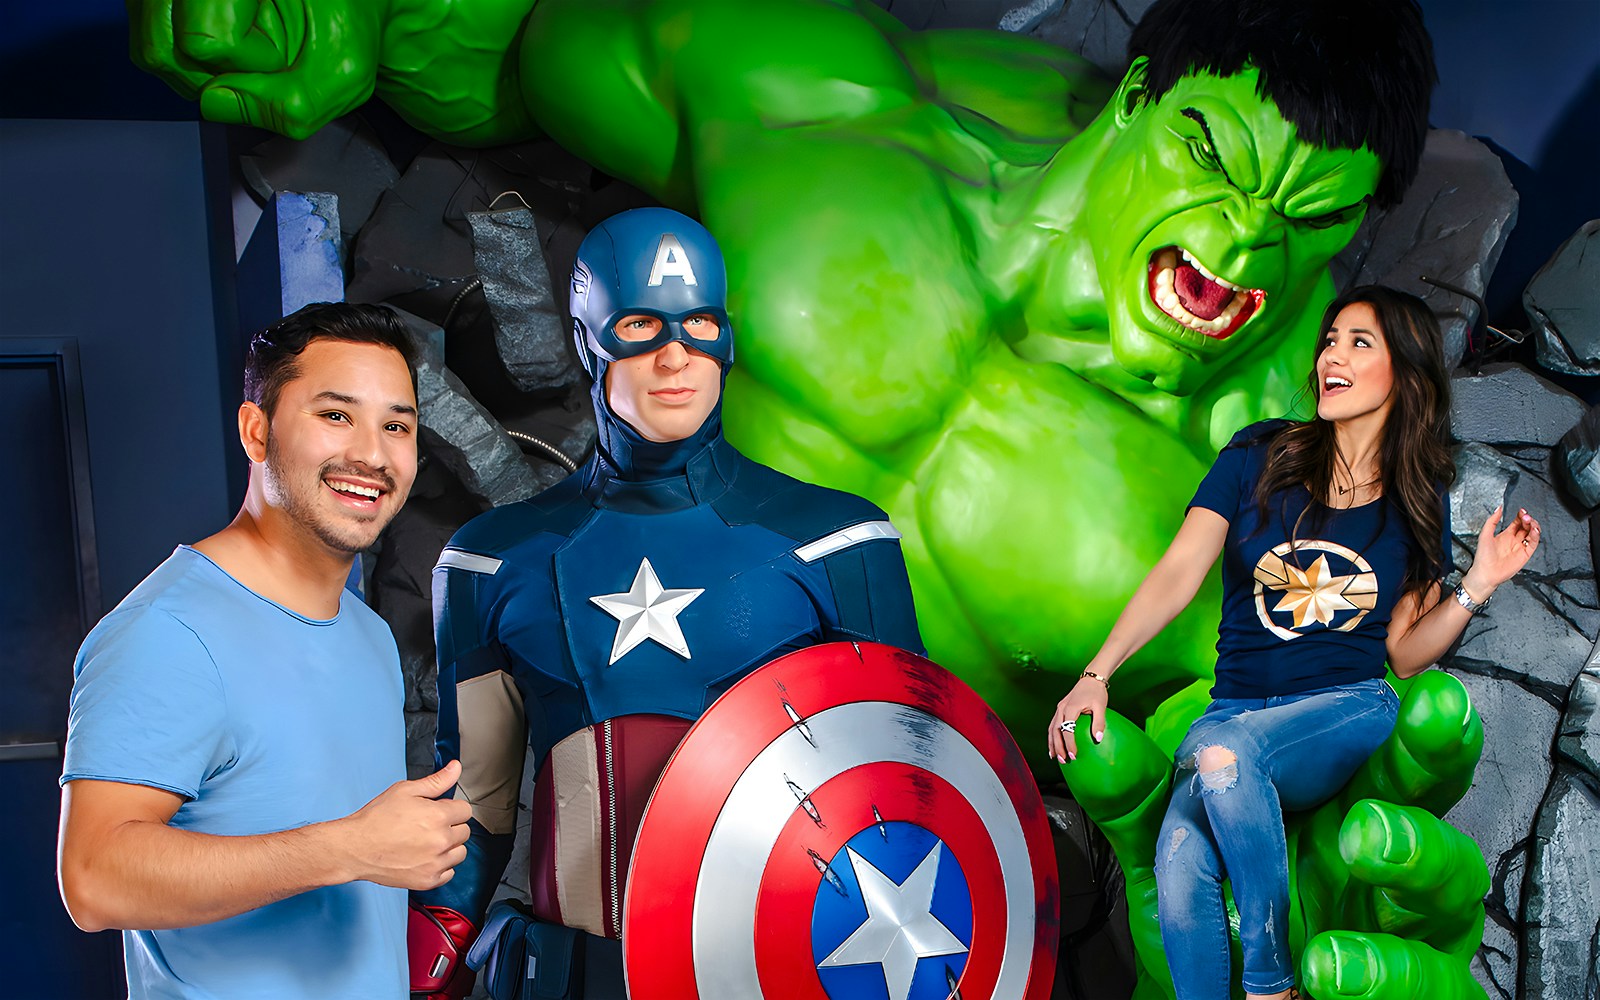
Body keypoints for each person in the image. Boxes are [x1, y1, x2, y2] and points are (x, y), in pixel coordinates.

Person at [126, 0, 1438, 741]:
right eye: (1212, 159)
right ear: (1141, 94)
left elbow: (1258, 751)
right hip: (607, 722)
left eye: (1311, 215)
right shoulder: (836, 114)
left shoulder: (1294, 469)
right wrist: (364, 25)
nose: (1240, 244)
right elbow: (544, 50)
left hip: (894, 872)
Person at [408, 207, 924, 999]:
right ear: (589, 342)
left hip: (783, 970)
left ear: (729, 338)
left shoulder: (841, 543)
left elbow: (906, 792)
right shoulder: (490, 560)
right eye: (642, 326)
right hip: (574, 976)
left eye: (700, 326)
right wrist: (429, 951)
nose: (675, 357)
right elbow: (476, 805)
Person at [1046, 285, 1541, 1000]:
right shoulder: (1255, 456)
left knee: (1222, 758)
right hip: (1236, 711)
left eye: (1358, 342)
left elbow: (1403, 654)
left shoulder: (1414, 501)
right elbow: (1180, 571)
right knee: (1180, 849)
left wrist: (1480, 582)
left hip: (1344, 707)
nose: (1332, 356)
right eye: (1330, 339)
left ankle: (1272, 985)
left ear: (1404, 373)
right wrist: (1098, 672)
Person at [57, 303, 474, 999]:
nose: (372, 454)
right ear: (257, 430)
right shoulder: (167, 633)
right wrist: (350, 848)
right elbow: (94, 879)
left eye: (395, 425)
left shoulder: (366, 632)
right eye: (336, 415)